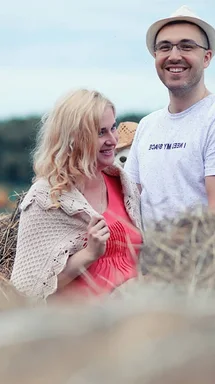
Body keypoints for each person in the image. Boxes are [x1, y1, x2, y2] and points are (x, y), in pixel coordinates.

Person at [124, 5, 215, 226]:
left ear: (206, 58)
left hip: (200, 259)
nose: (174, 56)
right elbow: (129, 203)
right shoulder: (147, 126)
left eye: (187, 46)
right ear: (155, 56)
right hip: (149, 260)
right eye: (164, 47)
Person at [10, 88, 144, 301]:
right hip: (79, 326)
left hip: (130, 320)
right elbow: (31, 289)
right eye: (101, 132)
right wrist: (89, 254)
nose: (113, 140)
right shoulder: (46, 197)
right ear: (74, 138)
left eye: (113, 127)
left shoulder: (124, 185)